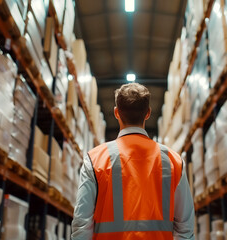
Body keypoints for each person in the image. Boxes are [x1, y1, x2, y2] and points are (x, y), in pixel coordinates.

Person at [71, 83, 195, 240]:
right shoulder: (173, 161)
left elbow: (81, 224)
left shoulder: (95, 159)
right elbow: (185, 228)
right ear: (148, 113)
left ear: (116, 113)